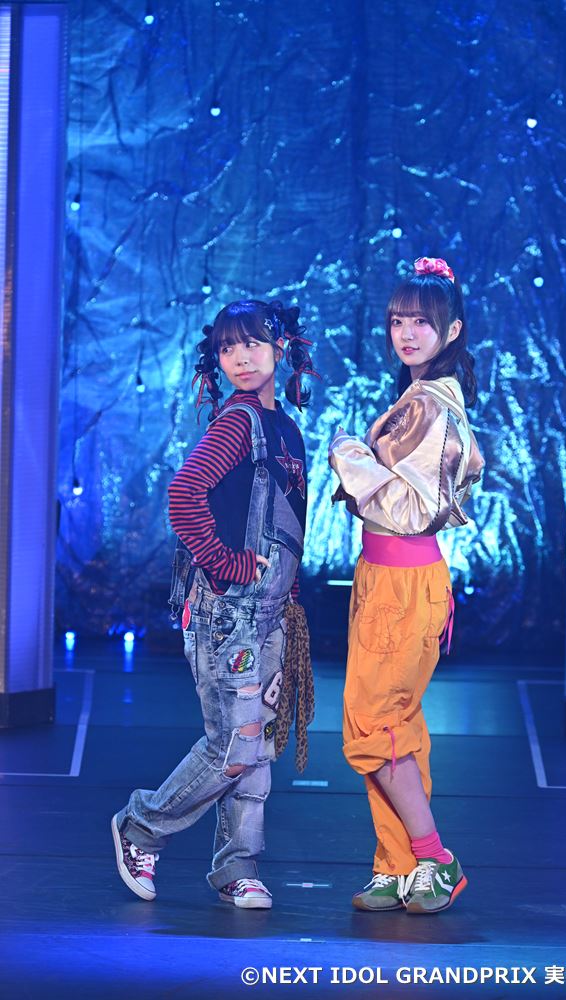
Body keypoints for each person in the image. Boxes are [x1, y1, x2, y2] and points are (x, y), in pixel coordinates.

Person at [112, 298, 316, 909]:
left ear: (281, 347)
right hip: (227, 613)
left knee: (257, 748)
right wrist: (227, 565)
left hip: (268, 614)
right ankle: (141, 826)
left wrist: (287, 603)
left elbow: (284, 523)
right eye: (228, 347)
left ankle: (237, 868)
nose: (241, 357)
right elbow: (184, 495)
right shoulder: (238, 422)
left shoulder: (285, 427)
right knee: (233, 746)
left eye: (252, 343)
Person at [329, 256, 484, 914]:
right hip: (387, 574)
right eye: (398, 321)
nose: (407, 333)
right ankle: (396, 866)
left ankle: (434, 857)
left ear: (452, 331)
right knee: (396, 725)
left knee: (372, 724)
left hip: (401, 576)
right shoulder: (420, 396)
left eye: (422, 321)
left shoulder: (429, 404)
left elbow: (413, 507)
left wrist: (349, 455)